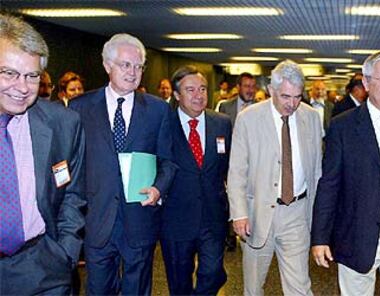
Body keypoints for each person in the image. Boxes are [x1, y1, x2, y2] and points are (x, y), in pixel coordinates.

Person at [70, 33, 176, 295]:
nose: (133, 72)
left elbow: (168, 162)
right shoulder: (79, 108)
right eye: (125, 65)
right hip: (97, 220)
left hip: (139, 218)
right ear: (107, 66)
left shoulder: (157, 110)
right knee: (98, 289)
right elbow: (72, 163)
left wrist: (158, 188)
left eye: (138, 66)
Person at [311, 51, 380, 295]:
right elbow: (330, 185)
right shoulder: (343, 126)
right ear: (366, 83)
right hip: (358, 231)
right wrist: (320, 237)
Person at [0, 14, 86, 295]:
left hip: (44, 269)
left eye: (32, 76)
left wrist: (65, 253)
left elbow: (73, 194)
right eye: (9, 73)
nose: (22, 87)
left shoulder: (63, 123)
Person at [228, 60, 322, 296]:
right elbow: (237, 170)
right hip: (258, 212)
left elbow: (317, 171)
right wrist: (239, 213)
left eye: (298, 96)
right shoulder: (248, 119)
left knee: (300, 286)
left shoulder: (310, 117)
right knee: (253, 286)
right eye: (285, 96)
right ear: (271, 91)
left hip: (297, 213)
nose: (292, 103)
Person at [160, 65, 232, 295]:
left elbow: (230, 166)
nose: (199, 95)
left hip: (213, 216)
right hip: (176, 219)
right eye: (190, 90)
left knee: (212, 273)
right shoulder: (163, 124)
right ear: (177, 95)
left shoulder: (222, 122)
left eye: (202, 89)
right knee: (179, 282)